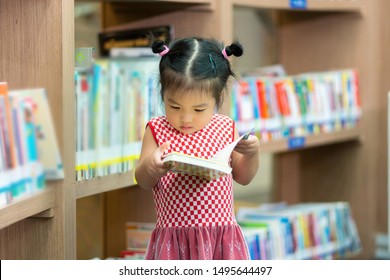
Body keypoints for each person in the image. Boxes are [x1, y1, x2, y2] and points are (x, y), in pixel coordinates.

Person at [134, 37, 260, 260]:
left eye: (200, 109)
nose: (186, 118)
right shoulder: (156, 129)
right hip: (174, 241)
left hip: (220, 239)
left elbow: (243, 176)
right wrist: (151, 167)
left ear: (216, 99)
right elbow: (143, 180)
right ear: (163, 95)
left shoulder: (224, 126)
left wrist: (251, 154)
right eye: (174, 106)